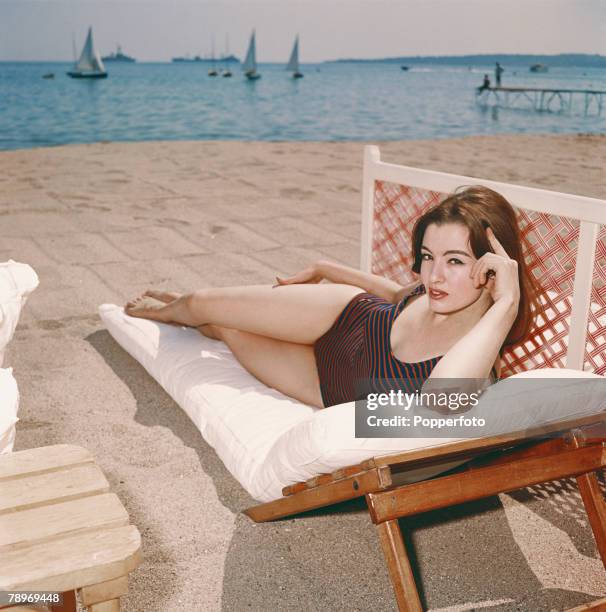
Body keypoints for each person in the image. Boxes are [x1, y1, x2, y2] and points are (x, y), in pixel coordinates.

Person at [124, 186, 541, 409]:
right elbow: (398, 293)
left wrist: (507, 303)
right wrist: (326, 268)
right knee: (199, 302)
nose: (433, 275)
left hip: (327, 385)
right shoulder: (429, 290)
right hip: (345, 315)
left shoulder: (477, 362)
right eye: (428, 256)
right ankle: (170, 310)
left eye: (454, 261)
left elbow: (437, 406)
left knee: (226, 329)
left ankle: (194, 319)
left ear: (492, 267)